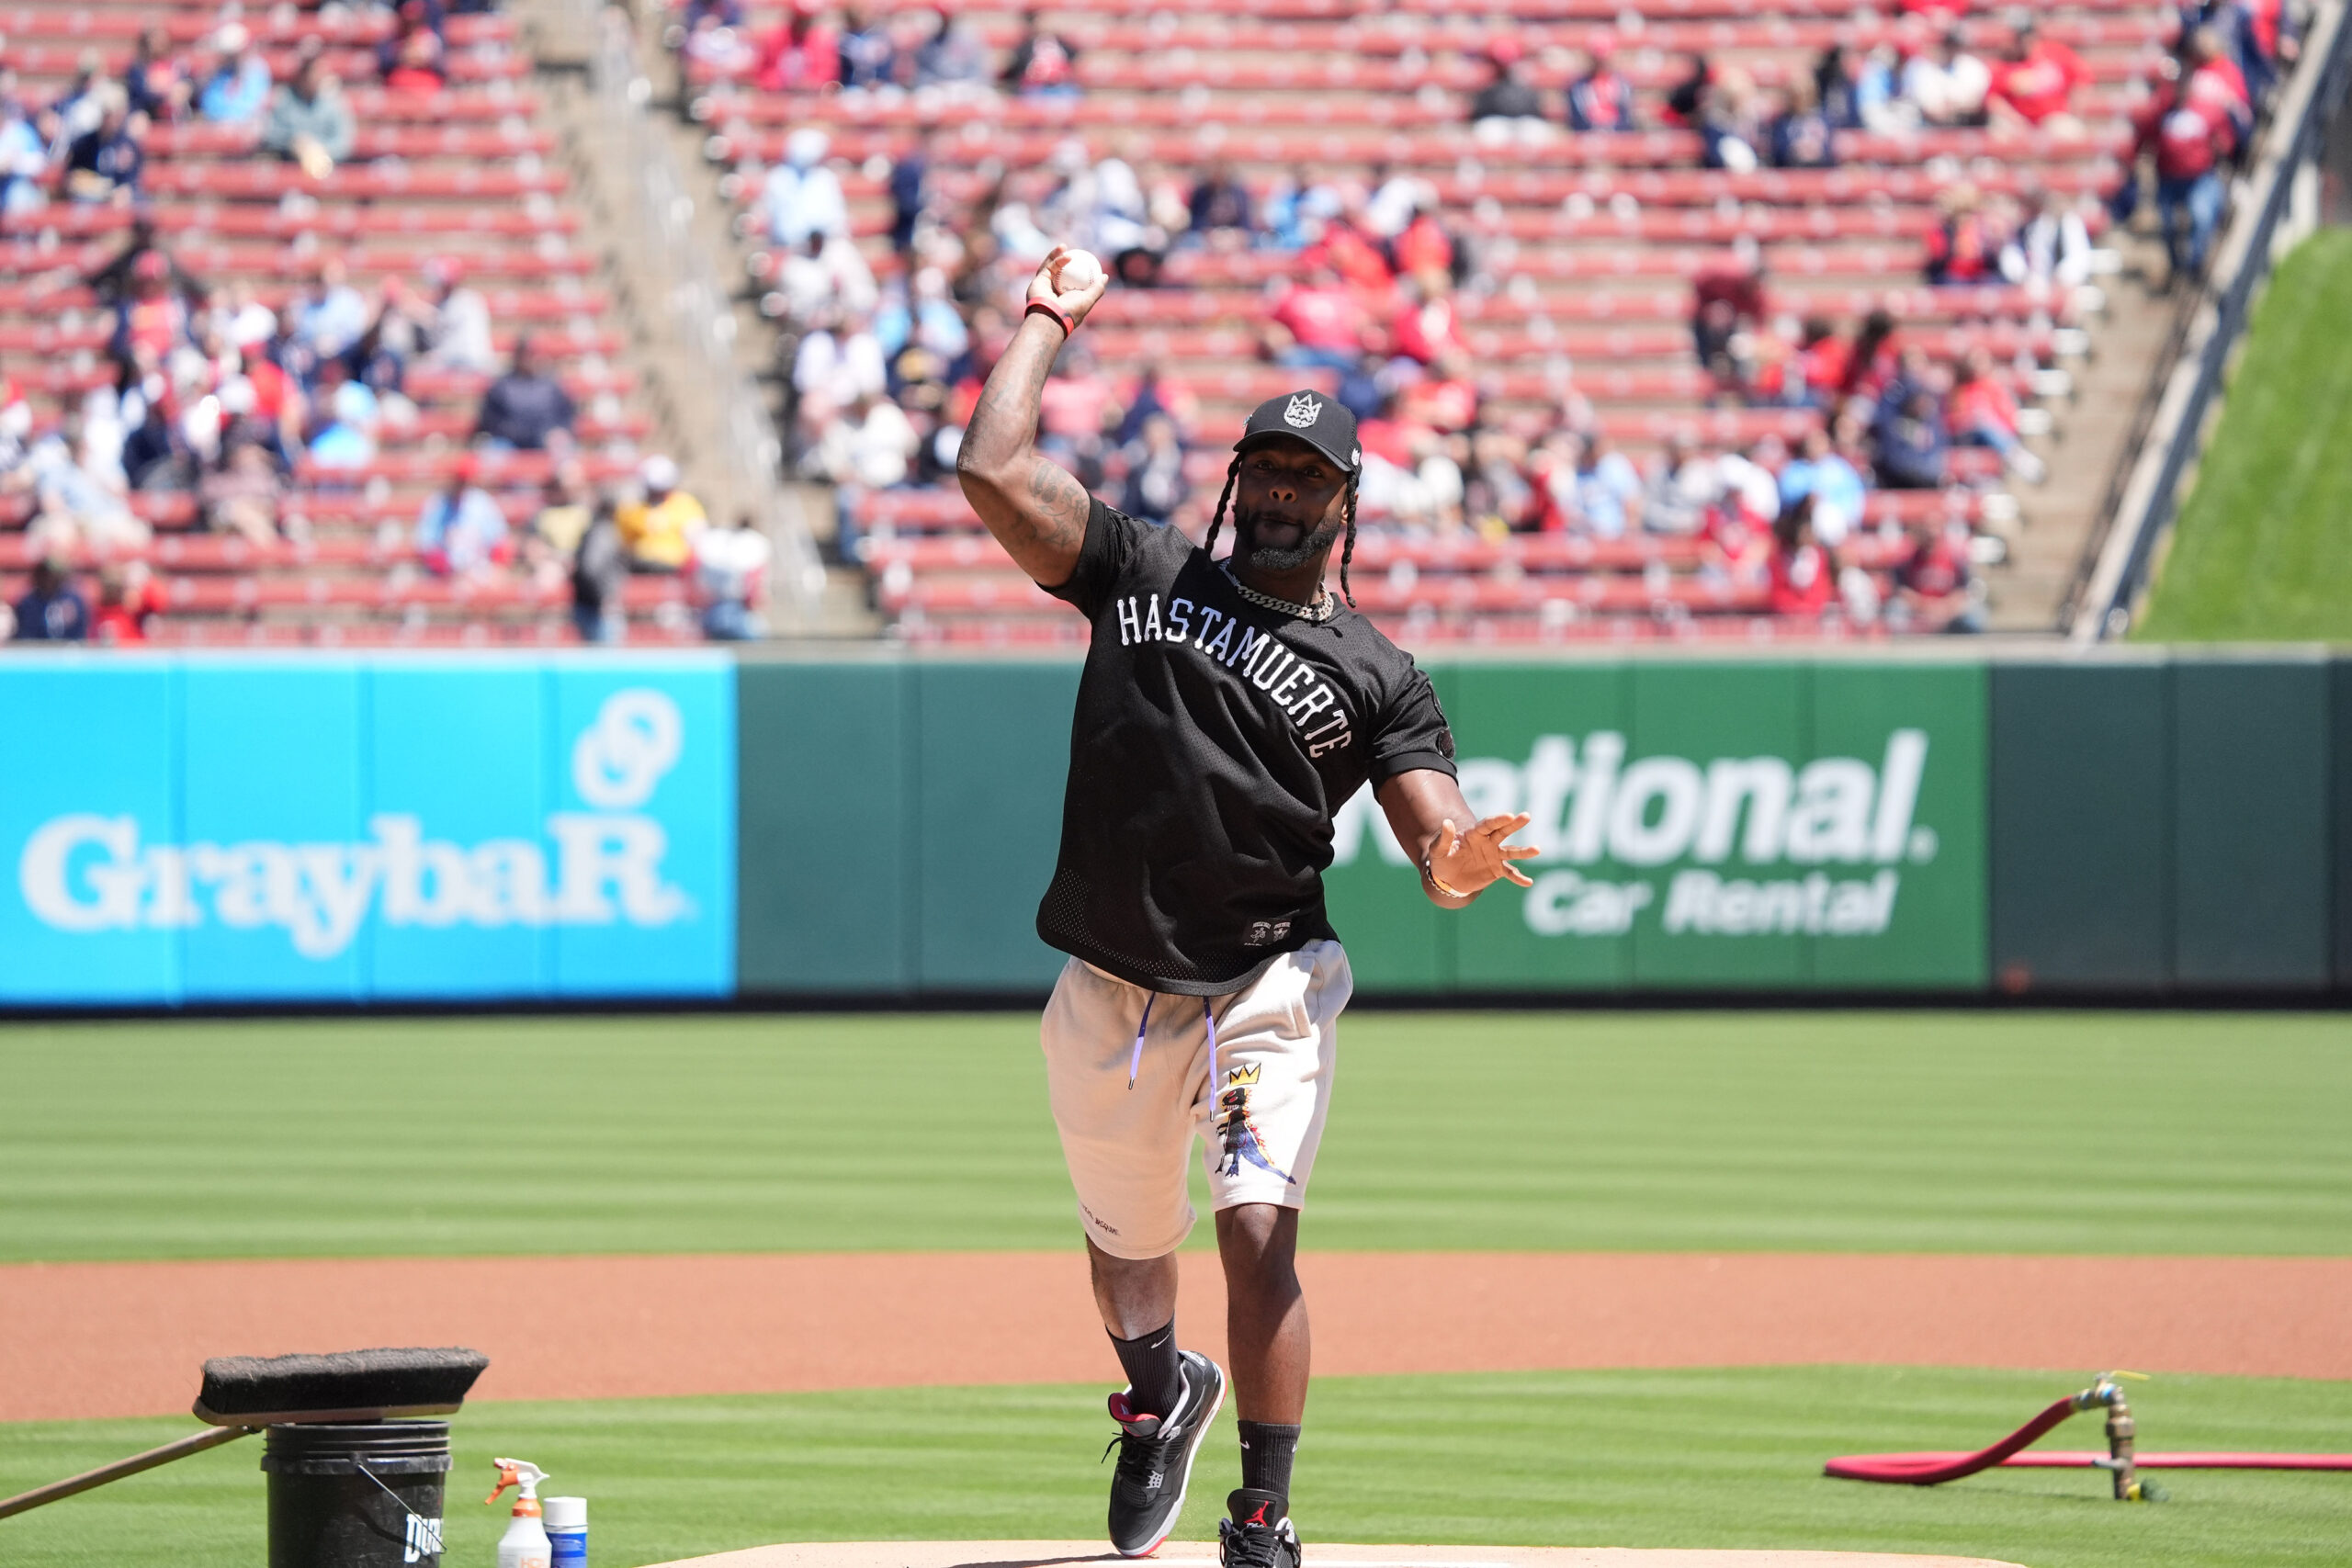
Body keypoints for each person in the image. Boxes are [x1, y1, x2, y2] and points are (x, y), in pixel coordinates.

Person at [954, 245, 1537, 1568]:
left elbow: (1434, 830)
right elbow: (991, 470)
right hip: (1108, 980)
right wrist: (1046, 317)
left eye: (1309, 477)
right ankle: (1160, 1390)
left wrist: (1456, 861)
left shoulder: (1382, 674)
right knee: (1125, 1250)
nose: (1283, 491)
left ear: (1344, 502)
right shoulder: (1142, 568)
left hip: (1265, 980)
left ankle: (1262, 1511)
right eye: (1266, 469)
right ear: (1236, 482)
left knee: (1258, 1232)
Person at [474, 336, 576, 451]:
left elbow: (565, 417)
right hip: (508, 441)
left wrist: (549, 431)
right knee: (493, 451)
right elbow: (490, 420)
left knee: (563, 446)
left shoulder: (552, 385)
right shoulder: (501, 386)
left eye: (532, 354)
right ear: (517, 356)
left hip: (545, 438)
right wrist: (514, 432)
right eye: (524, 354)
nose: (528, 358)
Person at [415, 457, 511, 577]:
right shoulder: (437, 504)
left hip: (479, 573)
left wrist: (496, 570)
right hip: (445, 575)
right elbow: (427, 546)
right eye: (460, 481)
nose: (463, 485)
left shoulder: (482, 503)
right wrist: (448, 570)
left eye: (466, 481)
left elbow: (500, 542)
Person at [616, 454, 708, 572]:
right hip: (640, 568)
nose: (657, 495)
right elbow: (624, 545)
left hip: (675, 568)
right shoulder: (631, 509)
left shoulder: (686, 506)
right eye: (653, 490)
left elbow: (696, 542)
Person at [570, 498, 628, 643]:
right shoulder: (602, 533)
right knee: (606, 659)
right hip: (596, 609)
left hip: (592, 605)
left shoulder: (600, 530)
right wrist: (602, 597)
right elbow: (590, 567)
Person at [196, 25, 272, 126]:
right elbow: (209, 103)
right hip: (214, 126)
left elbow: (254, 105)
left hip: (245, 128)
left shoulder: (257, 70)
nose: (228, 58)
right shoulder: (219, 73)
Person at [1565, 39, 1637, 131]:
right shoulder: (1579, 85)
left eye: (1604, 60)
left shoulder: (1623, 84)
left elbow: (1626, 116)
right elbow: (1579, 118)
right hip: (1588, 135)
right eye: (1598, 60)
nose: (1601, 64)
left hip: (1618, 135)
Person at [12, 558, 91, 641]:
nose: (49, 579)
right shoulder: (28, 603)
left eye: (53, 576)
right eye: (45, 575)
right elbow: (25, 634)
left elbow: (80, 634)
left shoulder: (74, 601)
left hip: (68, 650)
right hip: (36, 650)